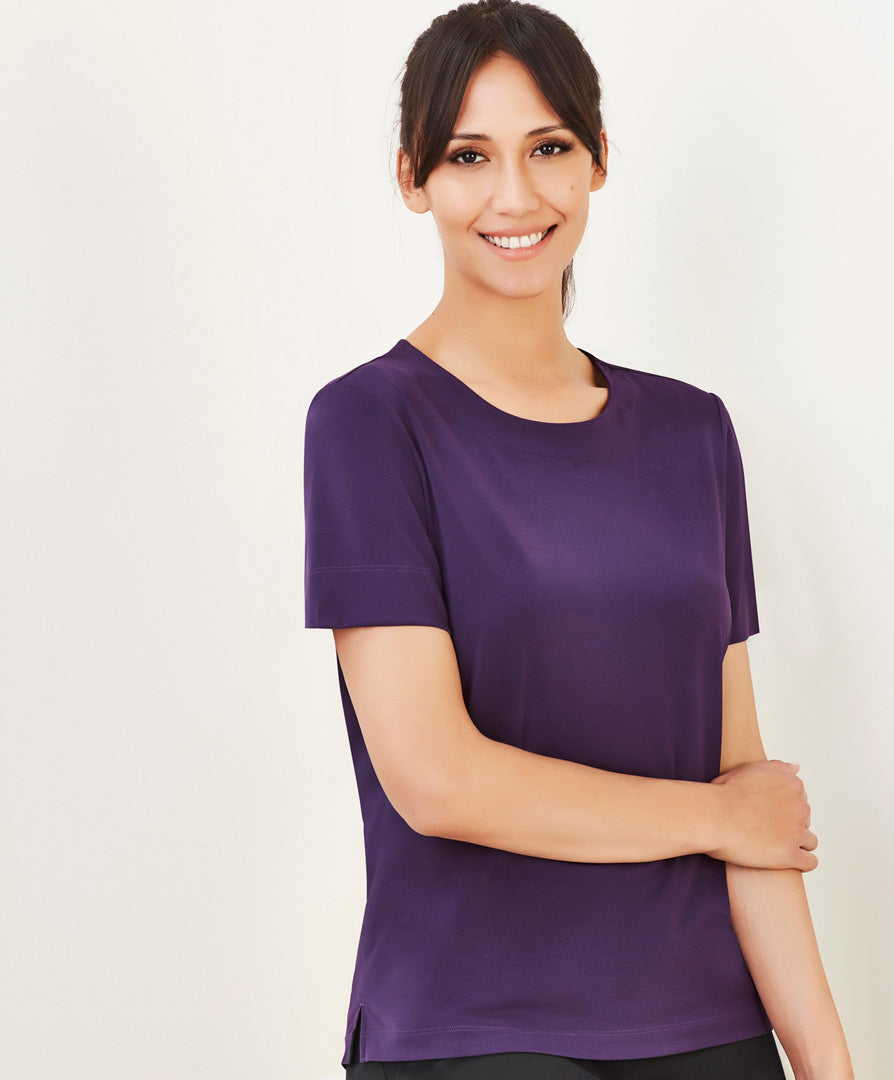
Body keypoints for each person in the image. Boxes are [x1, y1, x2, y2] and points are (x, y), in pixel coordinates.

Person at [303, 2, 854, 1077]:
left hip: (711, 1021)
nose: (515, 195)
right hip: (476, 1028)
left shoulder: (693, 432)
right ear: (413, 177)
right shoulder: (370, 424)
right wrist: (713, 818)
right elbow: (438, 780)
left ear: (598, 159)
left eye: (548, 147)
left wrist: (829, 1061)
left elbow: (749, 792)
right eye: (470, 156)